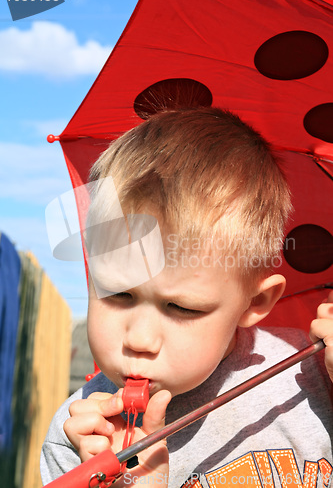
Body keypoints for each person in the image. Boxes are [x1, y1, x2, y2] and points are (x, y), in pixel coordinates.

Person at [40, 108, 333, 487]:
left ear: (255, 303)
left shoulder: (314, 376)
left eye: (181, 307)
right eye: (118, 293)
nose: (140, 339)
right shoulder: (79, 436)